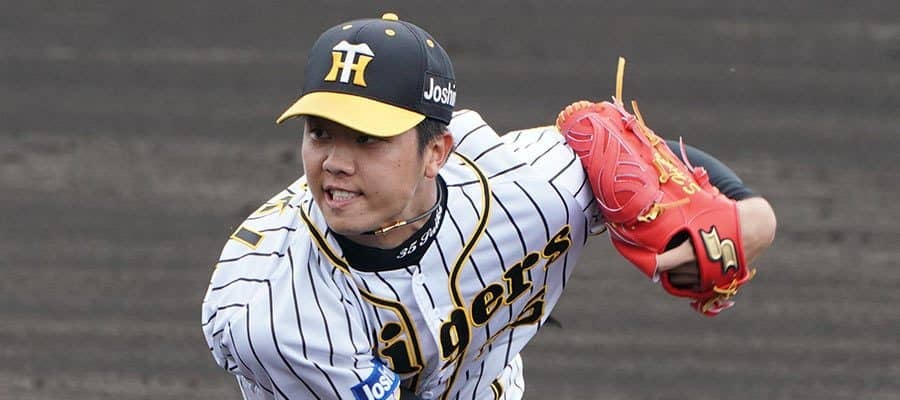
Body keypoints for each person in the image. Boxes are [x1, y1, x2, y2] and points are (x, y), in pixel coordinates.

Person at [201, 13, 776, 400]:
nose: (334, 163)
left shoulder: (525, 190)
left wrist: (753, 216)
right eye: (321, 133)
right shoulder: (274, 312)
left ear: (436, 152)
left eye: (368, 139)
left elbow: (630, 150)